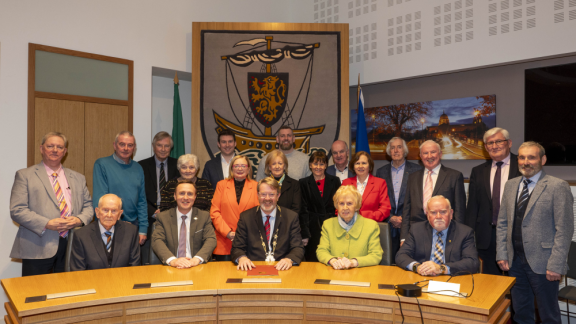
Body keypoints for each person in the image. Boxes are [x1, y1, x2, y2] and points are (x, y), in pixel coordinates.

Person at [496, 142, 574, 324]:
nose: (526, 162)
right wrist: (502, 253)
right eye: (522, 157)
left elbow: (564, 229)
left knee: (549, 316)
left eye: (531, 157)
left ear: (543, 159)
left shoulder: (557, 186)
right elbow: (502, 223)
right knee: (521, 313)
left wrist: (556, 264)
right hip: (515, 261)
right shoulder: (510, 185)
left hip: (544, 263)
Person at [10, 132, 94, 276]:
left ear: (65, 151)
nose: (55, 150)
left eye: (59, 147)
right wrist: (46, 223)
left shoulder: (78, 178)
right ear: (41, 149)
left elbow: (89, 206)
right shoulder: (25, 175)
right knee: (35, 293)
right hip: (38, 244)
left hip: (71, 244)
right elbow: (17, 210)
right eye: (50, 146)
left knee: (67, 292)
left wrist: (79, 219)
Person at [465, 128, 520, 275]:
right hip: (486, 237)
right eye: (490, 143)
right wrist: (468, 238)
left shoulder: (522, 165)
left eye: (498, 141)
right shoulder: (478, 171)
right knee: (491, 284)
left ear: (509, 143)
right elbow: (472, 208)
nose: (494, 146)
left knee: (517, 285)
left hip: (514, 236)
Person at [231, 178, 305, 271]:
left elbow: (297, 247)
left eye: (271, 194)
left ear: (278, 196)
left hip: (282, 268)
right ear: (258, 195)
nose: (267, 198)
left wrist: (289, 259)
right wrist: (242, 258)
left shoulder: (291, 217)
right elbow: (237, 248)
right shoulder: (246, 217)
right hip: (253, 267)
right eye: (263, 194)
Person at [400, 140, 465, 244]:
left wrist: (458, 237)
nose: (429, 156)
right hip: (416, 233)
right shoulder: (412, 177)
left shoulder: (454, 176)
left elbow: (459, 210)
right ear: (420, 156)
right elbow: (406, 210)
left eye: (433, 152)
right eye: (425, 153)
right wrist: (403, 237)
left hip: (445, 232)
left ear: (440, 154)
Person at [396, 195, 479, 276]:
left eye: (443, 212)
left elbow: (472, 262)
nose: (438, 216)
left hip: (451, 279)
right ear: (428, 215)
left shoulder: (464, 232)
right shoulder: (416, 229)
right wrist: (417, 267)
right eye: (433, 212)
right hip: (423, 277)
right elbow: (401, 255)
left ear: (451, 213)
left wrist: (442, 269)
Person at [93, 131, 148, 246]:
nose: (126, 148)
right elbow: (100, 199)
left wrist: (143, 228)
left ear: (134, 148)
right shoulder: (102, 164)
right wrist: (120, 223)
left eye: (130, 145)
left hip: (134, 226)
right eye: (122, 144)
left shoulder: (138, 168)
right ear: (114, 145)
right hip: (109, 225)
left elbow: (142, 201)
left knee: (132, 262)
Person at [375, 137, 423, 263]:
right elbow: (377, 200)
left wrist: (404, 218)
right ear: (389, 151)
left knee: (407, 263)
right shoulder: (381, 172)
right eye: (392, 148)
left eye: (399, 147)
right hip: (387, 225)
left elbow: (419, 199)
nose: (396, 150)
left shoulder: (417, 171)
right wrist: (390, 217)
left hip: (408, 226)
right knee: (386, 263)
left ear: (405, 151)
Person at [152, 180, 217, 268]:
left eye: (190, 194)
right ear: (175, 196)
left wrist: (196, 260)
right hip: (171, 267)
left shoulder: (204, 216)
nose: (186, 197)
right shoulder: (163, 217)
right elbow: (157, 241)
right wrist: (173, 260)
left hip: (196, 266)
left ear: (195, 197)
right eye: (182, 193)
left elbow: (211, 240)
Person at [138, 131, 180, 264]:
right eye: (159, 145)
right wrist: (153, 212)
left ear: (171, 148)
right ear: (153, 146)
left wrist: (167, 210)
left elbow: (182, 192)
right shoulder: (141, 166)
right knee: (148, 260)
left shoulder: (179, 165)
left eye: (166, 146)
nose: (163, 149)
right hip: (148, 218)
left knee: (171, 256)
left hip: (172, 218)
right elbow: (139, 193)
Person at [317, 185, 383, 269]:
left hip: (362, 276)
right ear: (337, 205)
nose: (345, 208)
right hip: (335, 273)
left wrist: (353, 262)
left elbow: (376, 255)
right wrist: (333, 261)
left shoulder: (371, 226)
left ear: (356, 206)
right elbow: (321, 251)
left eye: (349, 203)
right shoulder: (327, 224)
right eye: (341, 203)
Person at [70, 194, 140, 270]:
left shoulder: (131, 232)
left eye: (114, 211)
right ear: (97, 212)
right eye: (105, 210)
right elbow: (78, 273)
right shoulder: (81, 236)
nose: (109, 215)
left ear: (119, 214)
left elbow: (135, 267)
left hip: (122, 280)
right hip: (92, 281)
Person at [210, 155, 259, 261]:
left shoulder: (257, 186)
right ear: (231, 168)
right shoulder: (221, 185)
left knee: (247, 275)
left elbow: (259, 213)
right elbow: (214, 212)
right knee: (224, 276)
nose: (240, 168)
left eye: (243, 165)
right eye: (236, 166)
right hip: (225, 241)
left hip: (249, 241)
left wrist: (244, 234)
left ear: (248, 169)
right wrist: (227, 232)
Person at [300, 151, 341, 262]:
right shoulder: (303, 183)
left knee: (332, 258)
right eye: (315, 164)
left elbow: (339, 205)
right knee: (313, 260)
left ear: (326, 165)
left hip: (332, 226)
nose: (318, 167)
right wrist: (304, 233)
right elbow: (302, 210)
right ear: (310, 165)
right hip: (312, 228)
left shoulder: (335, 181)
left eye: (322, 164)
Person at [341, 151, 391, 222]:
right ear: (353, 166)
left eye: (364, 163)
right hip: (349, 226)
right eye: (357, 163)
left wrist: (361, 215)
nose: (360, 166)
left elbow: (385, 209)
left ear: (369, 166)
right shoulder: (346, 183)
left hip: (371, 225)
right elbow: (339, 207)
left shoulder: (380, 183)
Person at [263, 150, 301, 214]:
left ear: (285, 166)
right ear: (269, 167)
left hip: (288, 222)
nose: (277, 167)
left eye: (280, 163)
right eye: (274, 164)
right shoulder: (263, 185)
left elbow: (296, 209)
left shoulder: (295, 185)